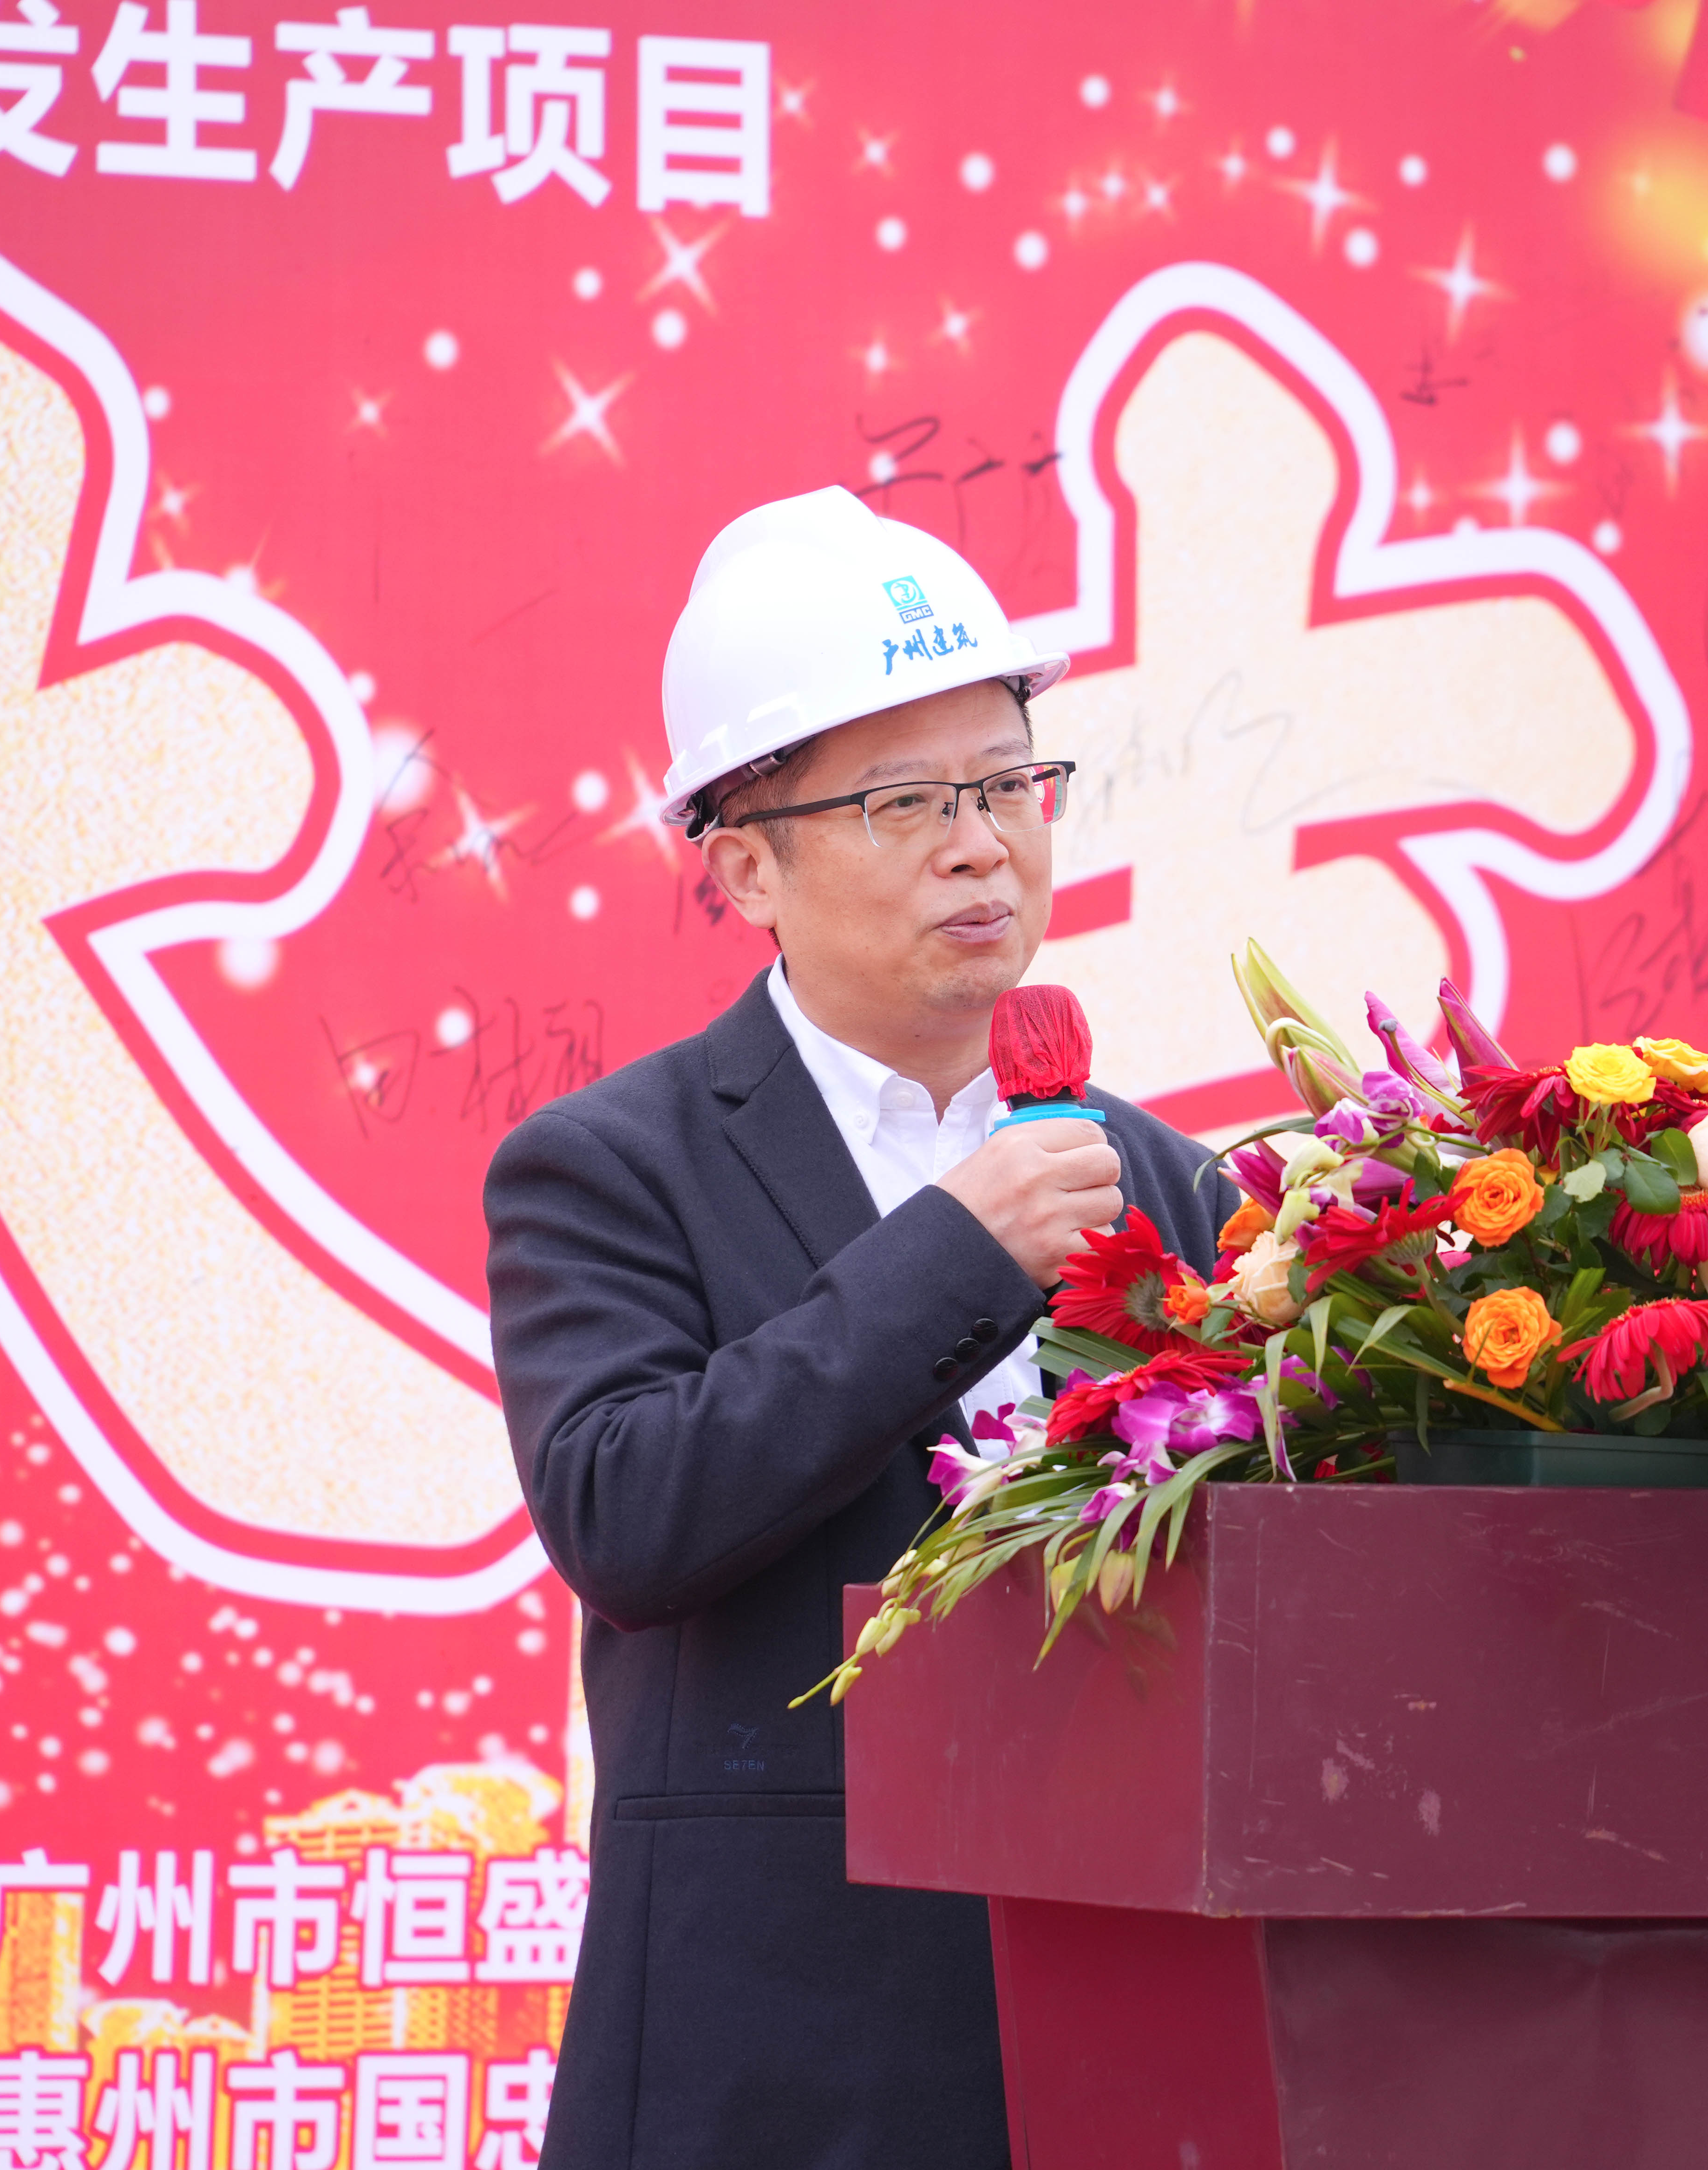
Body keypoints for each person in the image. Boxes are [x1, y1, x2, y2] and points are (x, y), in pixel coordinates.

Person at [482, 488, 1234, 2170]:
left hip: (1127, 2014)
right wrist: (954, 1255)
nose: (983, 845)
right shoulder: (612, 1166)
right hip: (781, 2038)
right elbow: (626, 1512)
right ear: (746, 863)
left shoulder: (1172, 1184)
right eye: (906, 802)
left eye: (1008, 785)